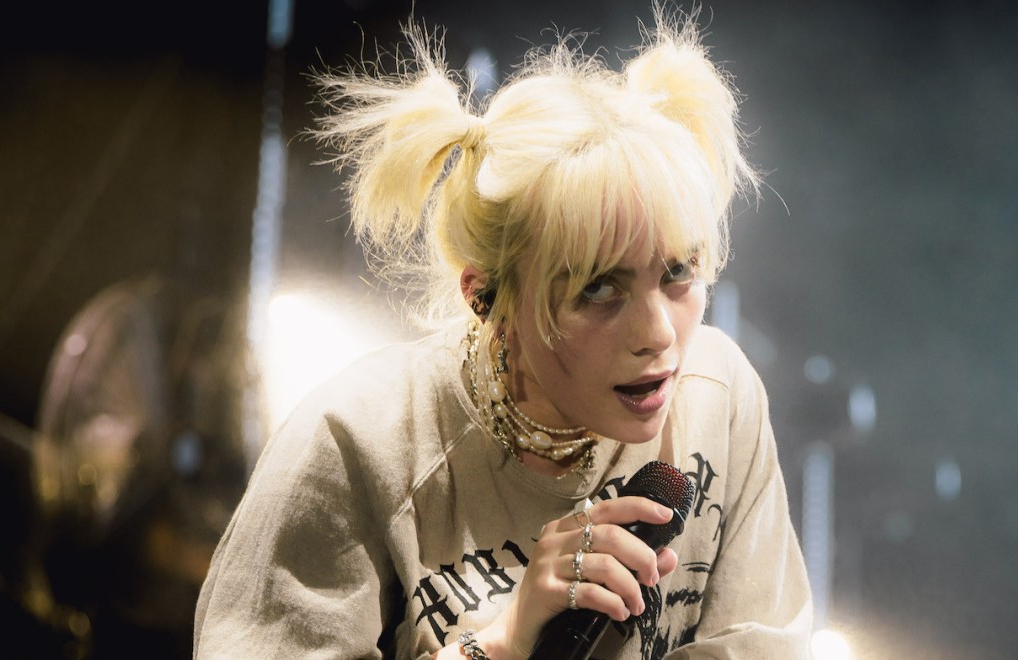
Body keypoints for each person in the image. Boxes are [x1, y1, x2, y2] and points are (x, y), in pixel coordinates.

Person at [194, 7, 812, 658]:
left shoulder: (717, 396)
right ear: (487, 298)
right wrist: (502, 643)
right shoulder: (356, 443)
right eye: (598, 288)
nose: (660, 335)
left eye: (679, 271)